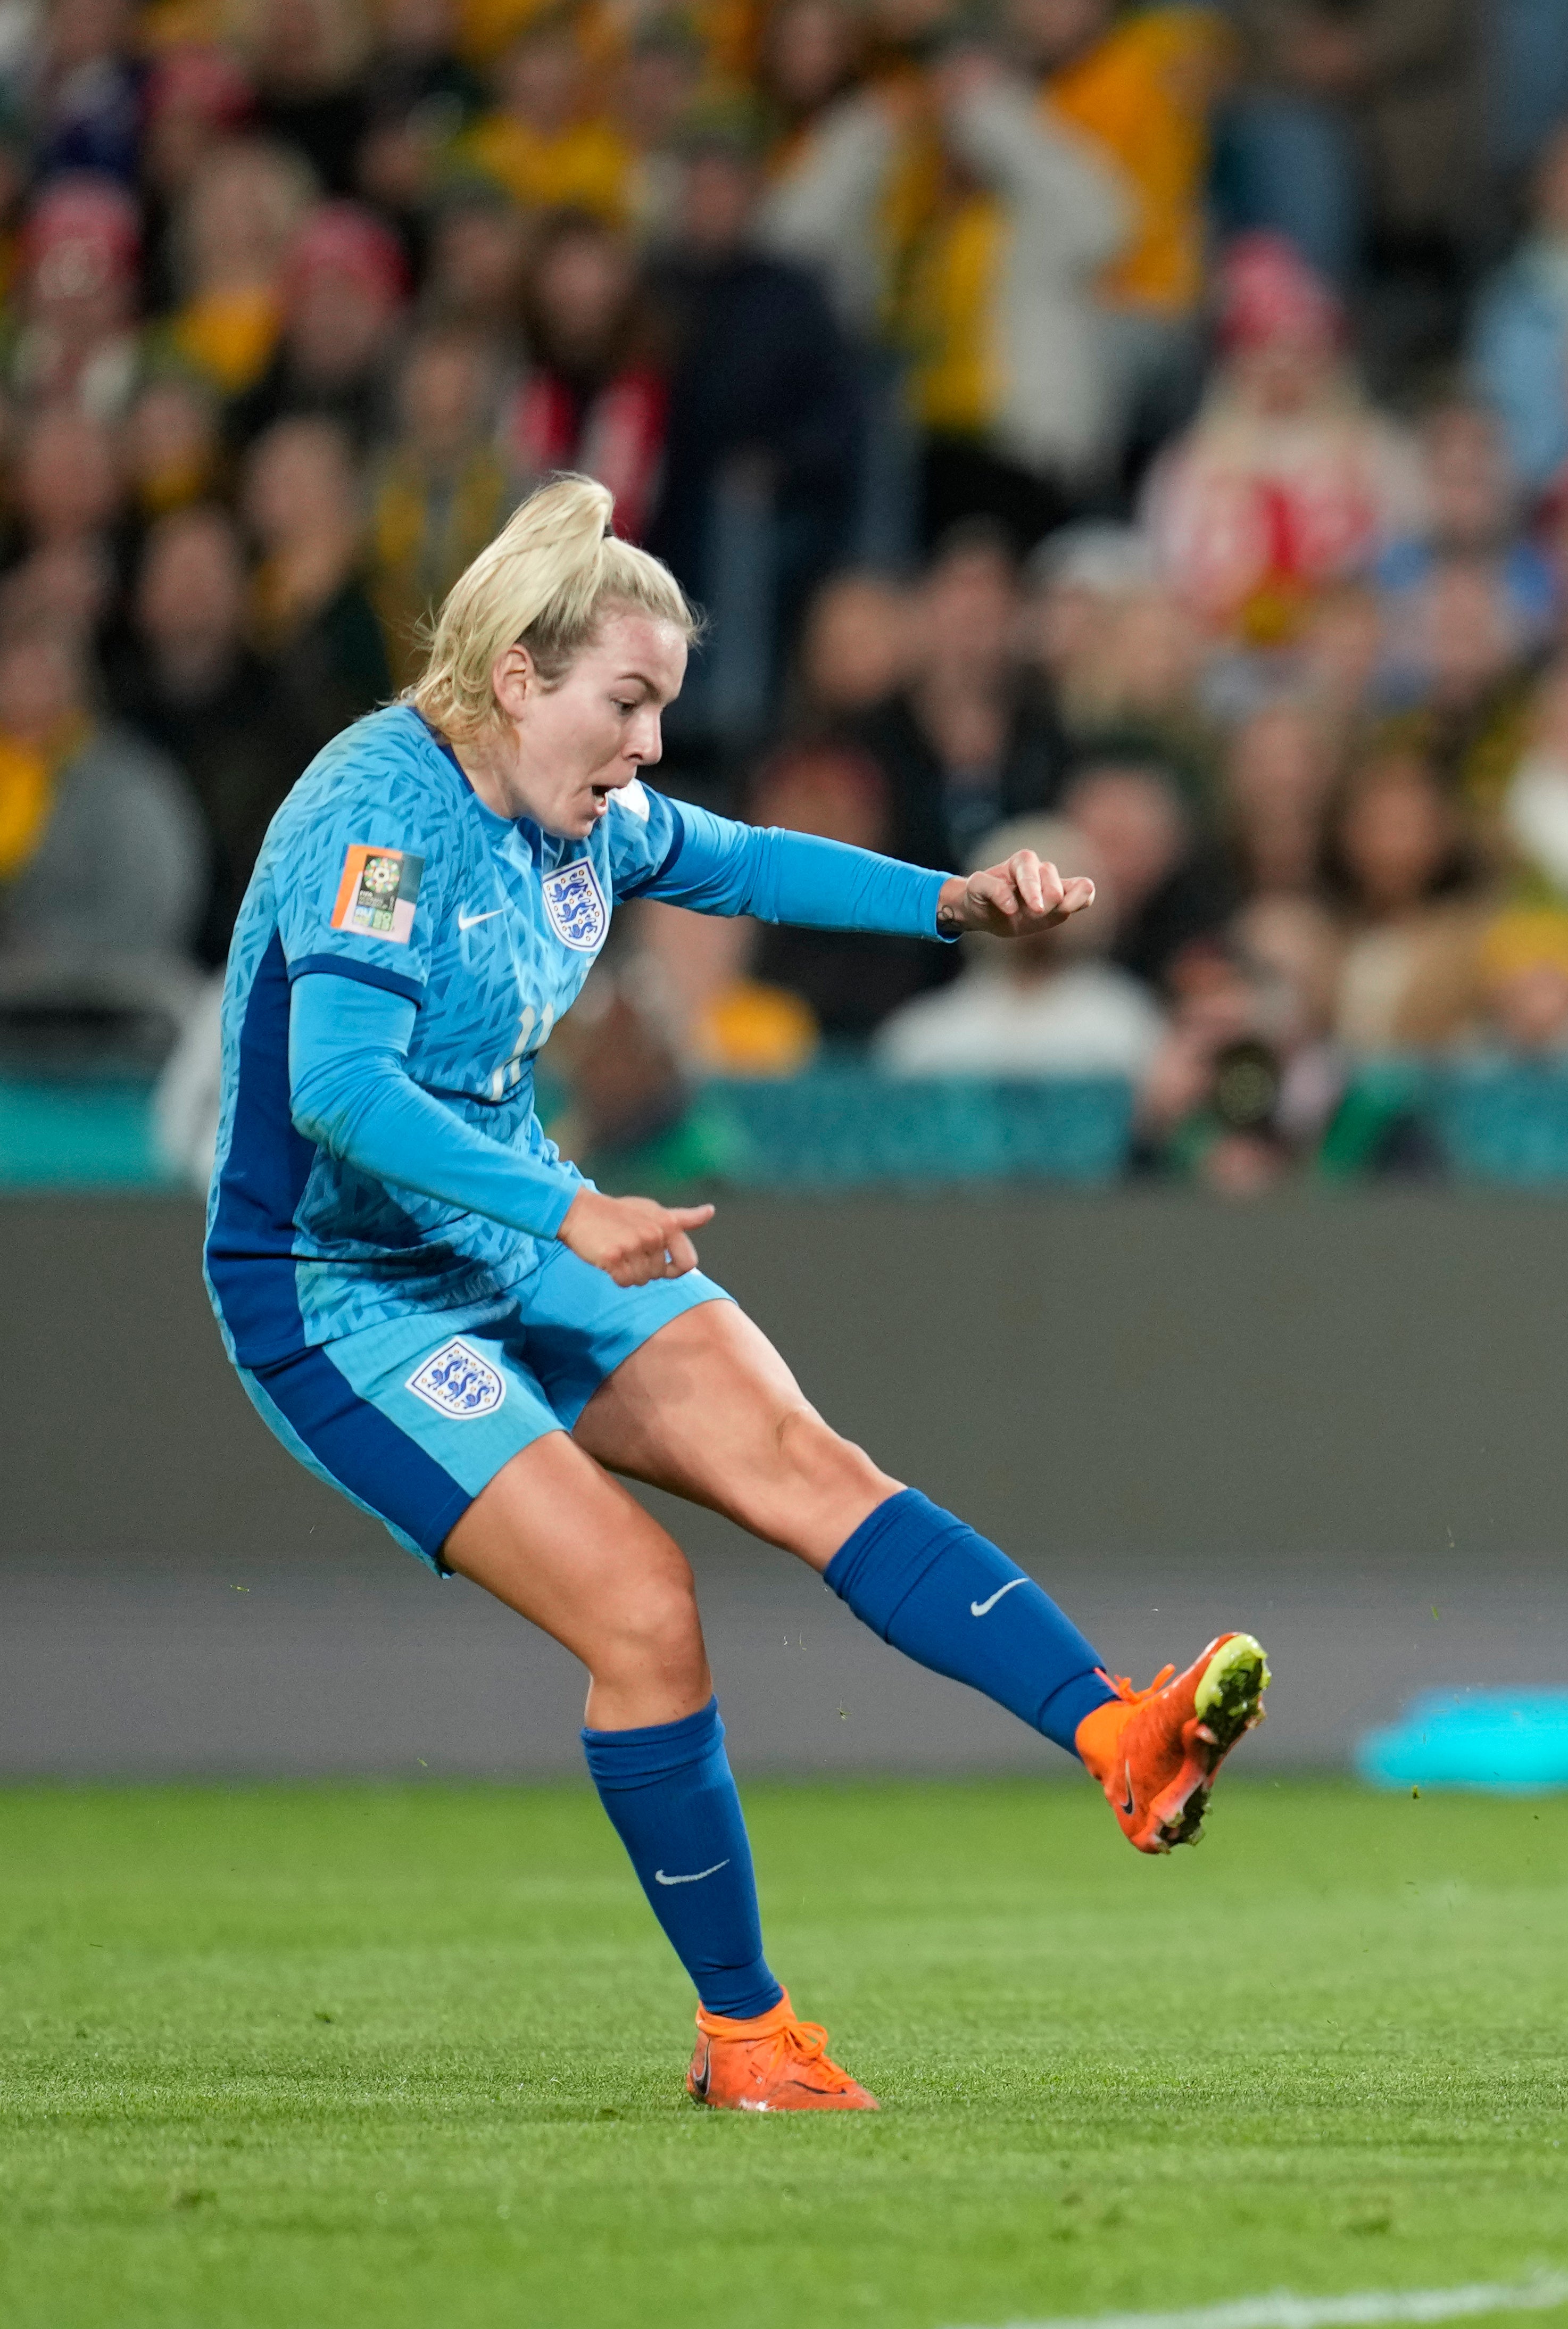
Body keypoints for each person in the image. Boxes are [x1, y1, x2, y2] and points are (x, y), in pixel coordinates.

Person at [198, 477, 1270, 2113]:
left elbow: (740, 860)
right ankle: (747, 2035)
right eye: (626, 703)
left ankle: (1120, 1738)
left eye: (662, 710)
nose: (644, 747)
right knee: (642, 1606)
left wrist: (953, 903)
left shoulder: (580, 813)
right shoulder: (380, 815)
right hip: (345, 1290)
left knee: (803, 1460)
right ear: (514, 680)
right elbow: (339, 1089)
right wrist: (568, 1205)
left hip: (514, 1232)